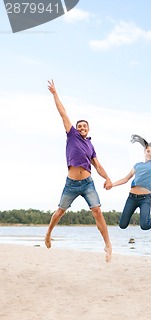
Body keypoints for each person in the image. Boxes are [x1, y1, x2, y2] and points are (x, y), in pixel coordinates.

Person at [44, 80, 113, 262]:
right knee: (60, 212)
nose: (82, 128)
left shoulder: (90, 145)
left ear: (88, 129)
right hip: (71, 184)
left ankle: (107, 245)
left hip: (88, 183)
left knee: (97, 211)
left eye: (84, 126)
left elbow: (98, 166)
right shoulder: (72, 134)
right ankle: (48, 234)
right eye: (79, 126)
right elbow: (63, 113)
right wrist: (55, 94)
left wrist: (107, 179)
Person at [109, 113, 151, 230]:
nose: (150, 153)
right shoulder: (137, 165)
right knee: (122, 225)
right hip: (131, 198)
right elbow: (126, 179)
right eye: (148, 151)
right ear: (144, 151)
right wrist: (112, 184)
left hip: (145, 199)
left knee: (145, 226)